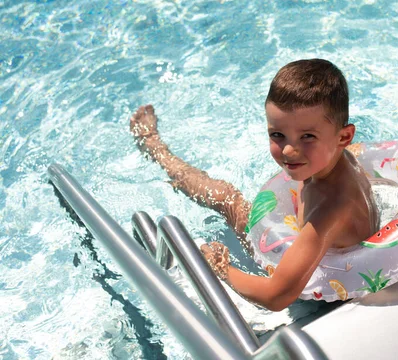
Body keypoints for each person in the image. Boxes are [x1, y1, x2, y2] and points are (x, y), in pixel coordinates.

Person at [130, 59, 379, 311]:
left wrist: (219, 266)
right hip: (313, 251)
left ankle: (156, 149)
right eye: (277, 135)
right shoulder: (333, 160)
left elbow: (276, 297)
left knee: (226, 198)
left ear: (344, 136)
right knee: (227, 198)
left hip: (326, 299)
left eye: (307, 137)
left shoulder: (332, 209)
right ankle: (158, 150)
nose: (289, 151)